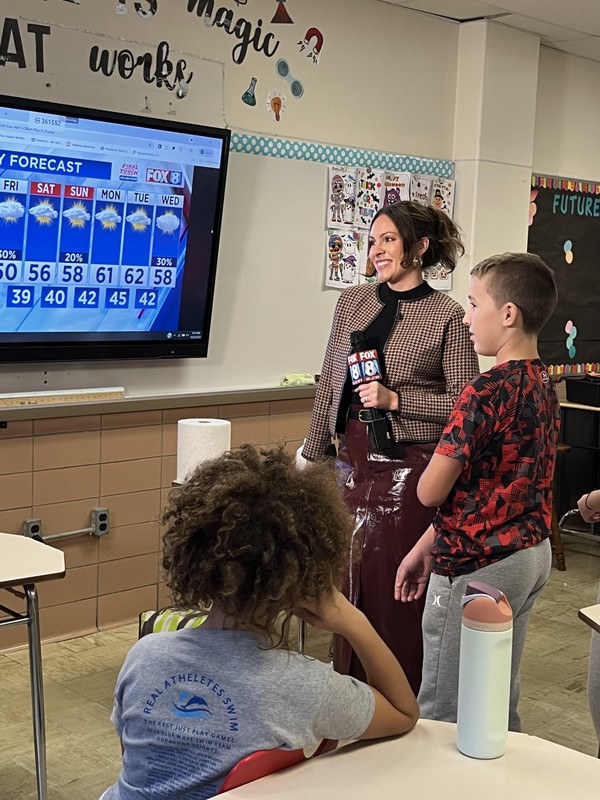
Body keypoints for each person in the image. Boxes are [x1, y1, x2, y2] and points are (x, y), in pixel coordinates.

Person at [100, 445, 418, 800]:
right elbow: (403, 711)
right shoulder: (301, 685)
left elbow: (135, 761)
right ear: (301, 576)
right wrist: (352, 621)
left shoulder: (144, 656)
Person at [302, 201, 478, 693]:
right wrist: (312, 451)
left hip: (407, 475)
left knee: (392, 596)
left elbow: (466, 408)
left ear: (420, 248)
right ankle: (351, 699)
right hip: (349, 466)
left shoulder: (445, 314)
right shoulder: (352, 302)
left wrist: (398, 400)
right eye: (373, 240)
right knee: (344, 590)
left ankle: (401, 703)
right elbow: (331, 383)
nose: (377, 251)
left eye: (389, 240)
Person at [395, 252, 560, 731]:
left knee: (444, 710)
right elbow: (492, 487)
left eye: (472, 304)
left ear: (508, 314)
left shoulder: (483, 391)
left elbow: (431, 492)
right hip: (530, 555)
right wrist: (426, 545)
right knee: (495, 698)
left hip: (478, 565)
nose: (466, 318)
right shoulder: (543, 385)